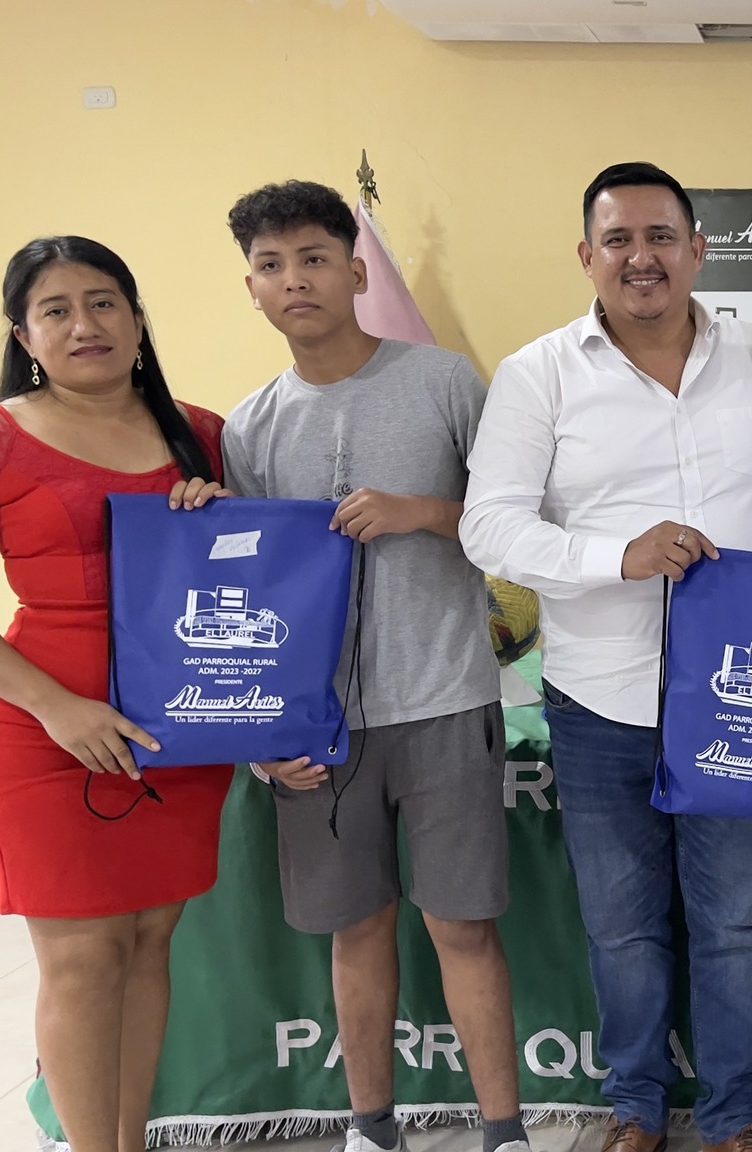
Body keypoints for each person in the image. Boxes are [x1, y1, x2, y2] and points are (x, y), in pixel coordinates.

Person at [460, 161, 752, 1152]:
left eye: (660, 237)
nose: (640, 257)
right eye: (618, 240)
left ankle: (735, 1116)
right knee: (622, 927)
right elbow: (488, 526)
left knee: (735, 925)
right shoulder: (537, 373)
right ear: (587, 256)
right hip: (599, 698)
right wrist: (617, 555)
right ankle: (634, 1109)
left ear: (698, 250)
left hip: (738, 698)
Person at [0, 237, 232, 1152]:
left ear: (136, 318)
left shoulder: (204, 433)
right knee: (84, 961)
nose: (84, 324)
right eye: (56, 310)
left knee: (150, 944)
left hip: (176, 734)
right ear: (25, 335)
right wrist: (56, 706)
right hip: (44, 736)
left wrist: (219, 526)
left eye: (103, 302)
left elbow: (254, 579)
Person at [219, 181, 524, 1152]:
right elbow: (249, 598)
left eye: (312, 257)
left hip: (445, 701)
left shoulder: (443, 381)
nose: (294, 279)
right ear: (251, 289)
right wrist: (266, 732)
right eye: (270, 265)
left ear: (355, 271)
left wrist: (422, 512)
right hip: (320, 726)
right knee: (356, 928)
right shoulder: (248, 427)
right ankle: (371, 1128)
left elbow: (517, 527)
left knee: (463, 927)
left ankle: (505, 1132)